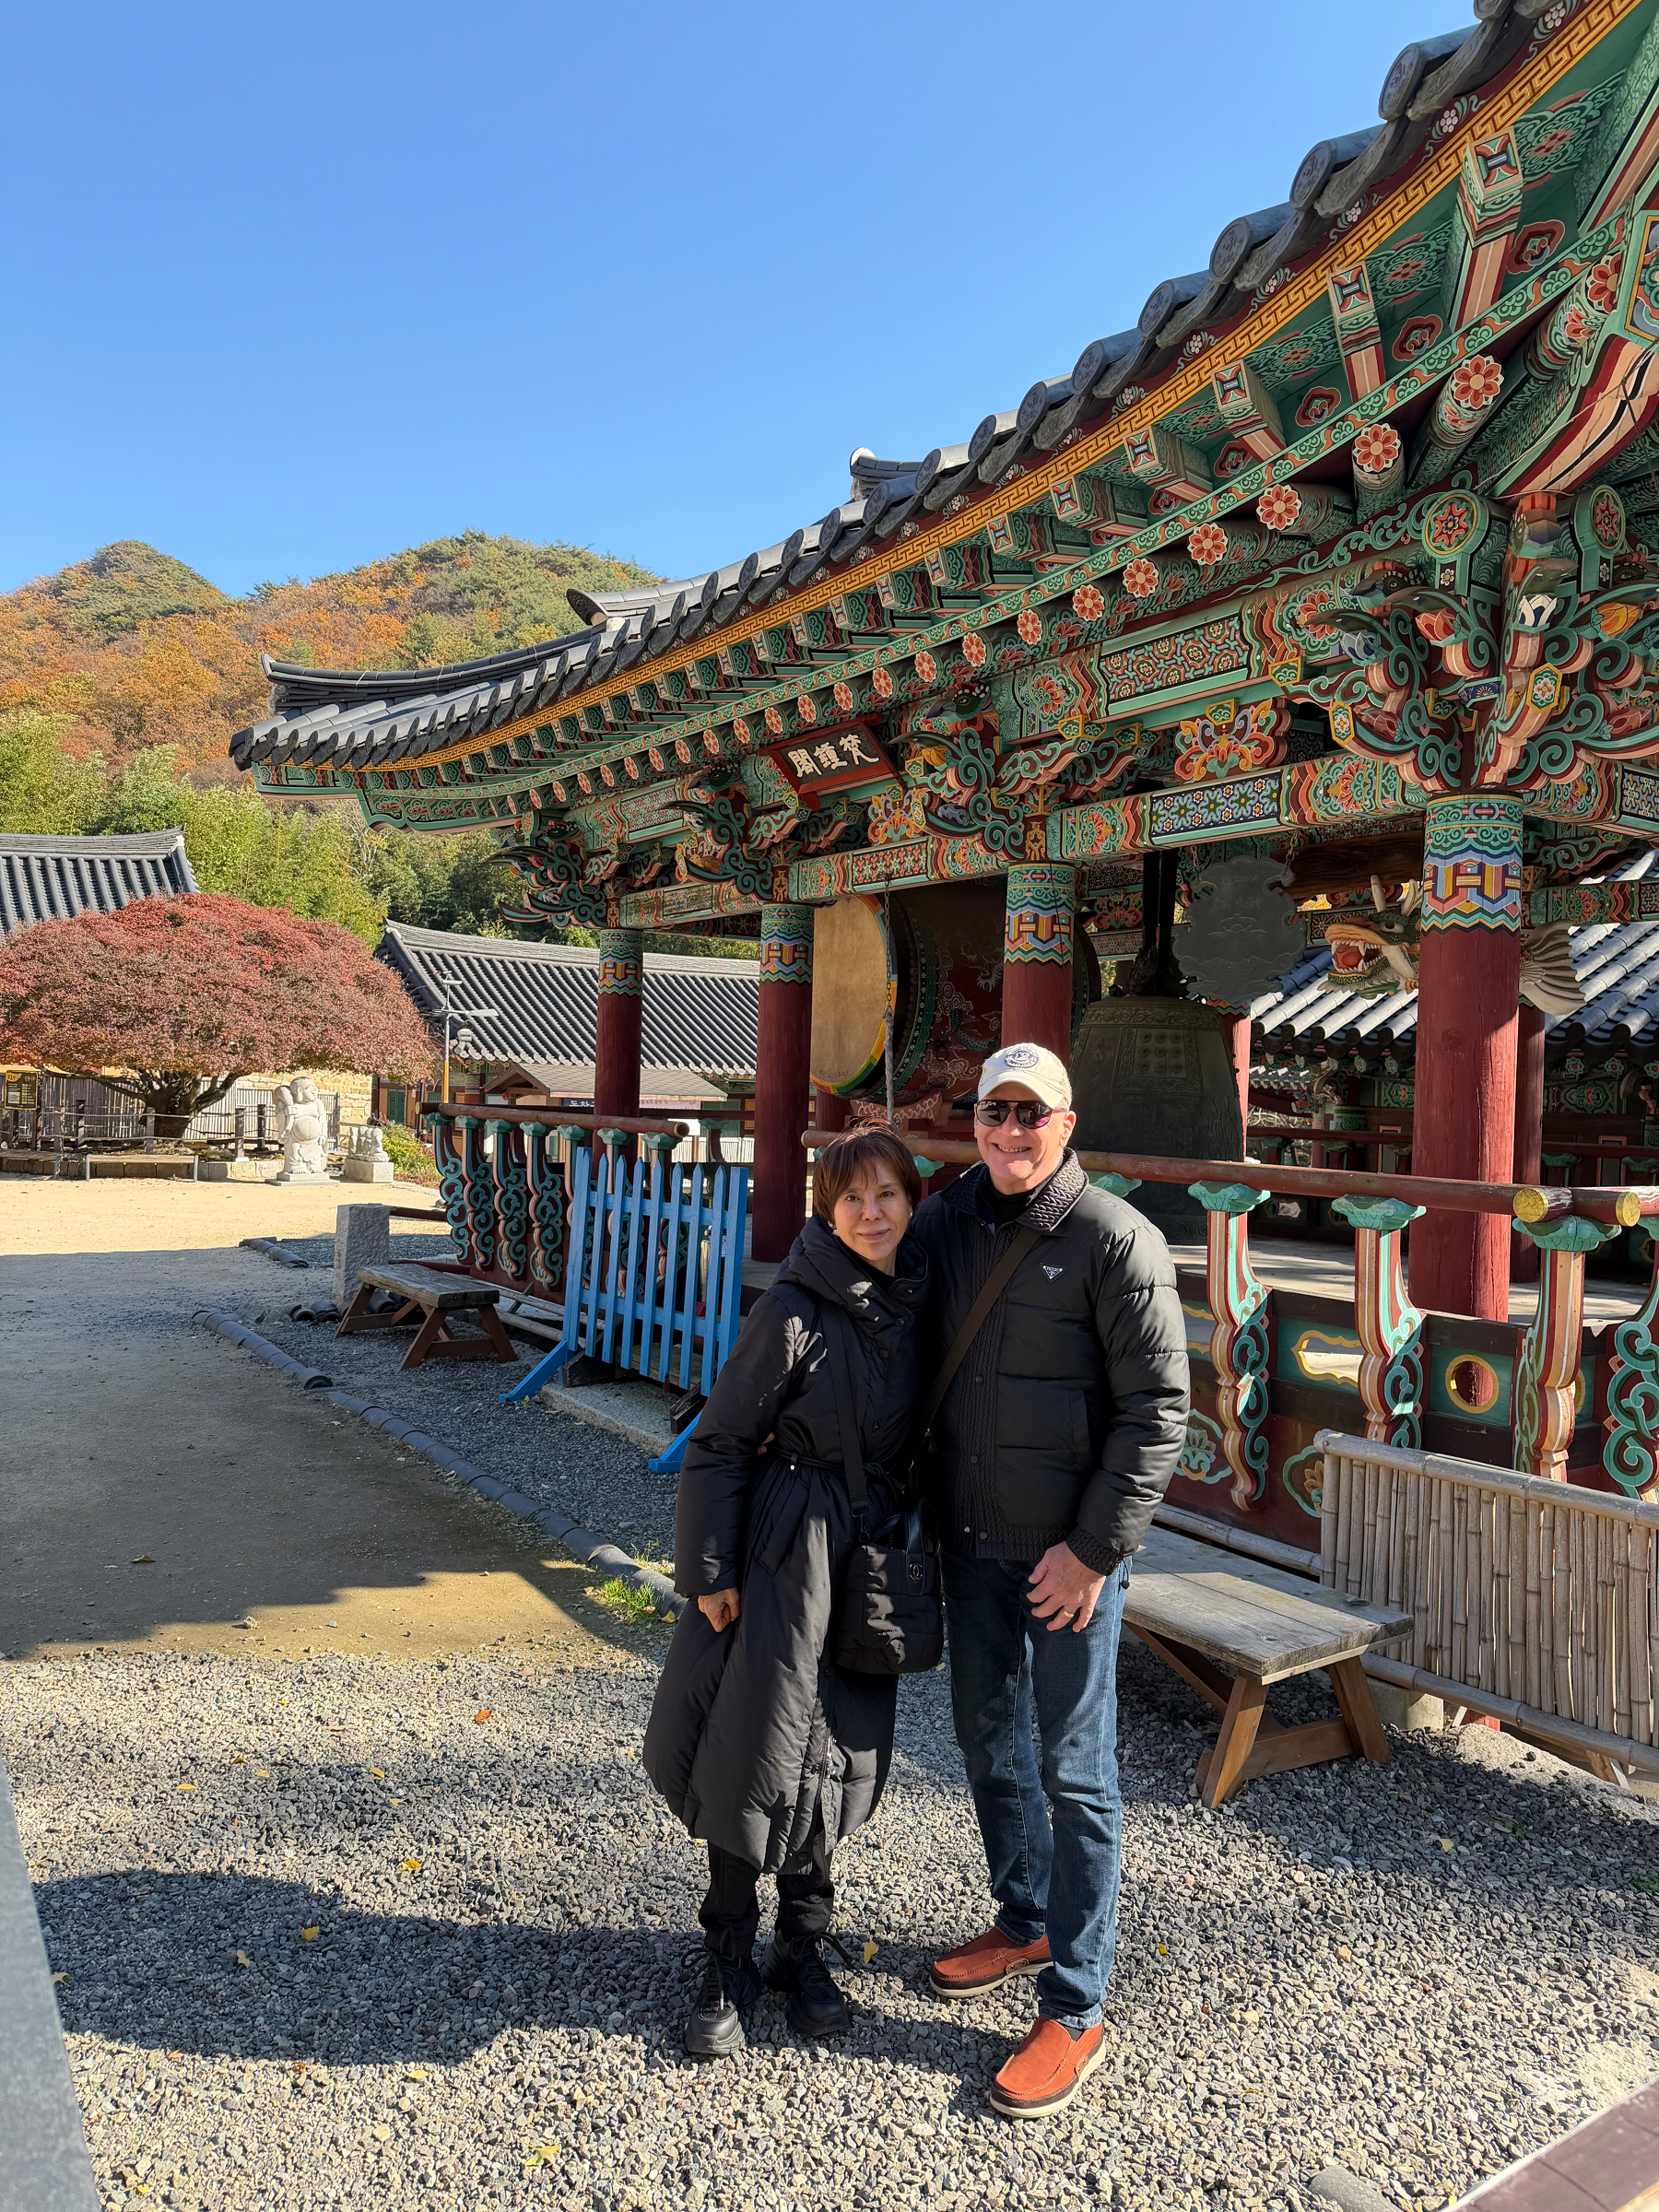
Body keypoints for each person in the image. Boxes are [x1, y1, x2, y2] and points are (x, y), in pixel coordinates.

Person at [911, 1041, 1188, 2121]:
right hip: (968, 1540)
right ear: (975, 1121)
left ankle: (1077, 2002)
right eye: (995, 1111)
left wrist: (1095, 1549)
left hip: (1067, 1556)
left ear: (1066, 1124)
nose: (1011, 1130)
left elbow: (1159, 1412)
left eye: (1032, 1113)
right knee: (984, 1740)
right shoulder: (945, 1220)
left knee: (1078, 1773)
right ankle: (1022, 1918)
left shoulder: (1118, 1241)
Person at [643, 1127, 930, 2058]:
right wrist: (709, 1571)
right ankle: (727, 1951)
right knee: (751, 1743)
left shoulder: (922, 1306)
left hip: (868, 1558)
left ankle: (802, 1944)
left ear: (913, 1205)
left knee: (839, 1746)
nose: (873, 1213)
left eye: (889, 1194)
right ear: (826, 1208)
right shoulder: (794, 1310)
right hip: (784, 1552)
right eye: (853, 1198)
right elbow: (723, 1440)